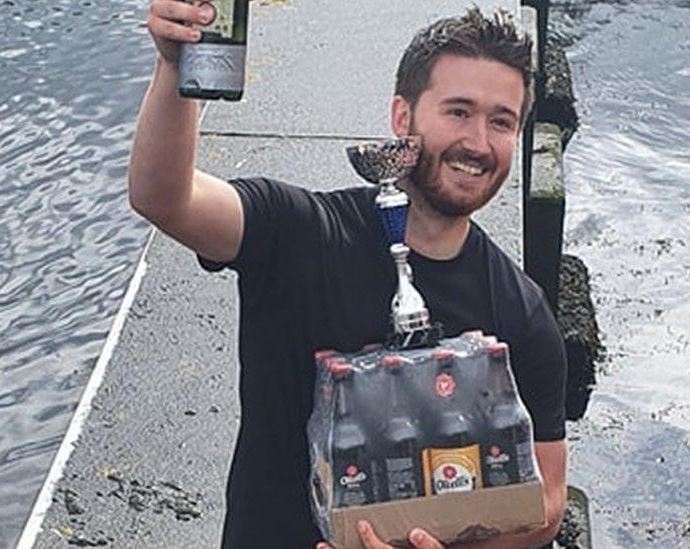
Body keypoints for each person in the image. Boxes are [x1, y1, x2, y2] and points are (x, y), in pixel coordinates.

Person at [130, 3, 568, 548]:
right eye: (458, 111)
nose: (478, 142)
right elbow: (164, 198)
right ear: (402, 118)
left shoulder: (523, 313)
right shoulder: (298, 233)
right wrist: (176, 70)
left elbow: (548, 502)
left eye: (501, 121)